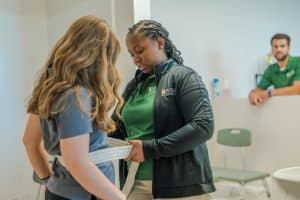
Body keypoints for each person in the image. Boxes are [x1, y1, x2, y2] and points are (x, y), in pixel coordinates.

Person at [23, 15, 126, 200]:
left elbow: (29, 142)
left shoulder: (49, 87)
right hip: (86, 194)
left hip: (59, 191)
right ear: (97, 57)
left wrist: (47, 179)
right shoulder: (76, 95)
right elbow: (76, 161)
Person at [111, 19, 215, 200]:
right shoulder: (134, 86)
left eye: (140, 50)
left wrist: (151, 149)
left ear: (160, 43)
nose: (136, 59)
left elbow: (203, 126)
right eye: (131, 54)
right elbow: (118, 128)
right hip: (135, 182)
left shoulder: (184, 77)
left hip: (181, 187)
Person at [249, 33, 300, 105]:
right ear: (272, 49)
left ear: (288, 48)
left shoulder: (298, 62)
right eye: (275, 46)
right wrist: (251, 94)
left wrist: (269, 93)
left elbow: (297, 90)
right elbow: (257, 91)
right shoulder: (271, 70)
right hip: (281, 109)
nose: (279, 49)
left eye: (282, 46)